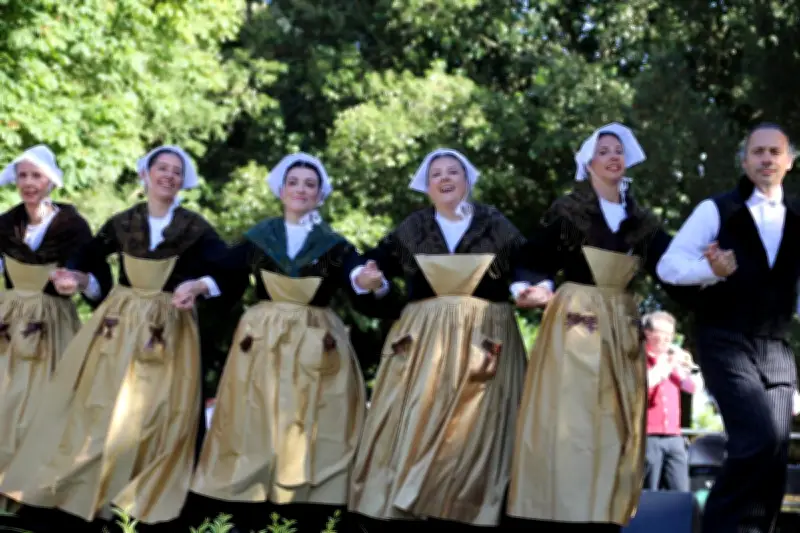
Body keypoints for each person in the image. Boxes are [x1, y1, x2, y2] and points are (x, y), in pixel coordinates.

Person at [0, 145, 233, 533]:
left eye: (176, 172)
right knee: (100, 407)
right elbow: (87, 257)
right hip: (117, 325)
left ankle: (140, 501)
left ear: (183, 182)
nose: (168, 177)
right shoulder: (123, 222)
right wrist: (75, 276)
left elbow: (227, 270)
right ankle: (85, 497)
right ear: (145, 174)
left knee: (158, 413)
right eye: (161, 169)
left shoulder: (196, 229)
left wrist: (198, 285)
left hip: (167, 327)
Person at [348, 148, 539, 532]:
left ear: (467, 181)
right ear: (427, 186)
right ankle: (409, 508)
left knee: (479, 427)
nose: (446, 178)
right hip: (425, 343)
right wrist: (367, 280)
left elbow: (523, 264)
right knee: (415, 420)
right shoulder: (412, 229)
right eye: (437, 174)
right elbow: (373, 268)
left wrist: (525, 287)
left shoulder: (495, 224)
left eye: (454, 171)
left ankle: (472, 511)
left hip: (484, 337)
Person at [507, 123, 686, 532]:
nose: (612, 155)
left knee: (616, 420)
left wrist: (708, 267)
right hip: (576, 321)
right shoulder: (569, 213)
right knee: (570, 415)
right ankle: (557, 511)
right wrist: (529, 287)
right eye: (603, 150)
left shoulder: (641, 222)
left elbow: (671, 265)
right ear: (588, 162)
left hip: (622, 324)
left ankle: (605, 512)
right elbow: (533, 258)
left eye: (618, 150)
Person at [190, 153, 380, 533]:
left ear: (320, 195)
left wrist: (367, 279)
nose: (301, 189)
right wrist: (198, 284)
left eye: (310, 184)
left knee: (314, 417)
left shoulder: (333, 243)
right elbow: (227, 273)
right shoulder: (261, 237)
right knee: (255, 414)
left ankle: (310, 506)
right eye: (294, 182)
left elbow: (354, 273)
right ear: (281, 190)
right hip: (263, 339)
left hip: (315, 339)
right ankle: (248, 502)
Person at [656, 122, 800, 533]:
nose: (767, 158)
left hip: (776, 346)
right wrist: (710, 269)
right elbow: (669, 265)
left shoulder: (799, 217)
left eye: (775, 152)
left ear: (788, 162)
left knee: (774, 450)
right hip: (725, 340)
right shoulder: (716, 210)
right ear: (744, 160)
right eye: (758, 152)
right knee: (754, 436)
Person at [0, 145, 112, 517]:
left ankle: (32, 494)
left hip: (51, 324)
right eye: (23, 175)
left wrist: (78, 281)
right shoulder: (5, 223)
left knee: (45, 407)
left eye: (36, 176)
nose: (29, 183)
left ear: (51, 181)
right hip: (8, 320)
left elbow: (97, 279)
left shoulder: (72, 227)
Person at [642, 310, 702, 492]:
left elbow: (693, 388)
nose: (669, 339)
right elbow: (643, 387)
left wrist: (691, 368)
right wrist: (666, 364)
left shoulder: (672, 361)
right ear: (648, 333)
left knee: (680, 490)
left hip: (674, 437)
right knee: (648, 491)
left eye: (671, 334)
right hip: (648, 436)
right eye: (663, 333)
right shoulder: (638, 359)